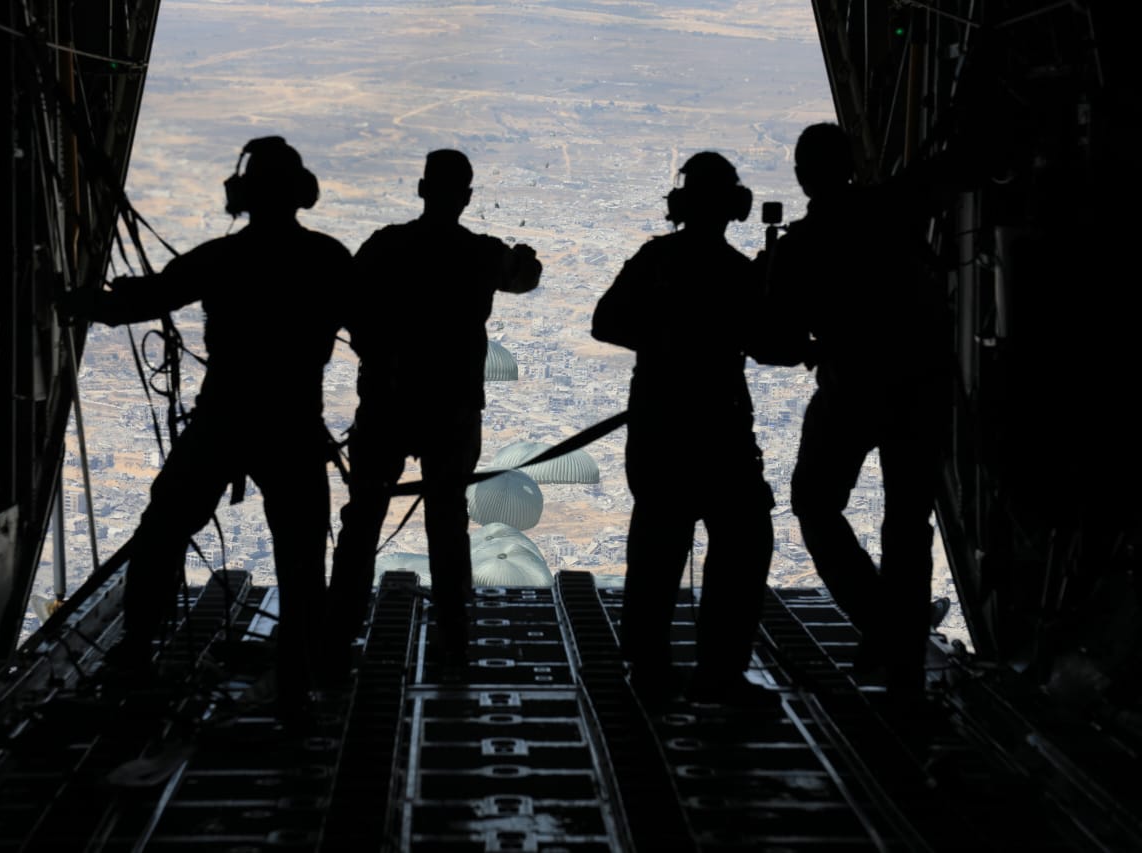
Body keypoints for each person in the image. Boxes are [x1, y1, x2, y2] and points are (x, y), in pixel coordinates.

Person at [63, 136, 353, 717]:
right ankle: (297, 676)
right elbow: (375, 330)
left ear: (242, 195)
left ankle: (135, 652)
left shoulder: (220, 259)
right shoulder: (328, 258)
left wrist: (64, 296)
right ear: (302, 196)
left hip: (223, 420)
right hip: (293, 426)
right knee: (301, 555)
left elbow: (134, 305)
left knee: (162, 530)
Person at [326, 149, 542, 677]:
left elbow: (345, 303)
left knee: (363, 519)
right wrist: (525, 256)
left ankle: (336, 636)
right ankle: (455, 640)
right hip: (452, 410)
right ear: (466, 197)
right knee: (447, 526)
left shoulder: (386, 246)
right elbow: (525, 277)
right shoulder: (481, 254)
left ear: (422, 190)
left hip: (387, 403)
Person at [763, 122, 953, 697]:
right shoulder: (893, 207)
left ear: (802, 176)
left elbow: (777, 339)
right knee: (908, 523)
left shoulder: (801, 246)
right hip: (918, 387)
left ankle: (880, 621)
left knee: (814, 503)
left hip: (850, 389)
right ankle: (902, 656)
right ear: (851, 166)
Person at [591, 151, 779, 709]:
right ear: (736, 207)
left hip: (660, 426)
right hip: (720, 430)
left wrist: (664, 339)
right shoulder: (740, 273)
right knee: (743, 544)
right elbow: (775, 346)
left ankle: (649, 669)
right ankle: (719, 673)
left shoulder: (656, 260)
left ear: (679, 204)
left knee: (657, 546)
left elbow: (606, 322)